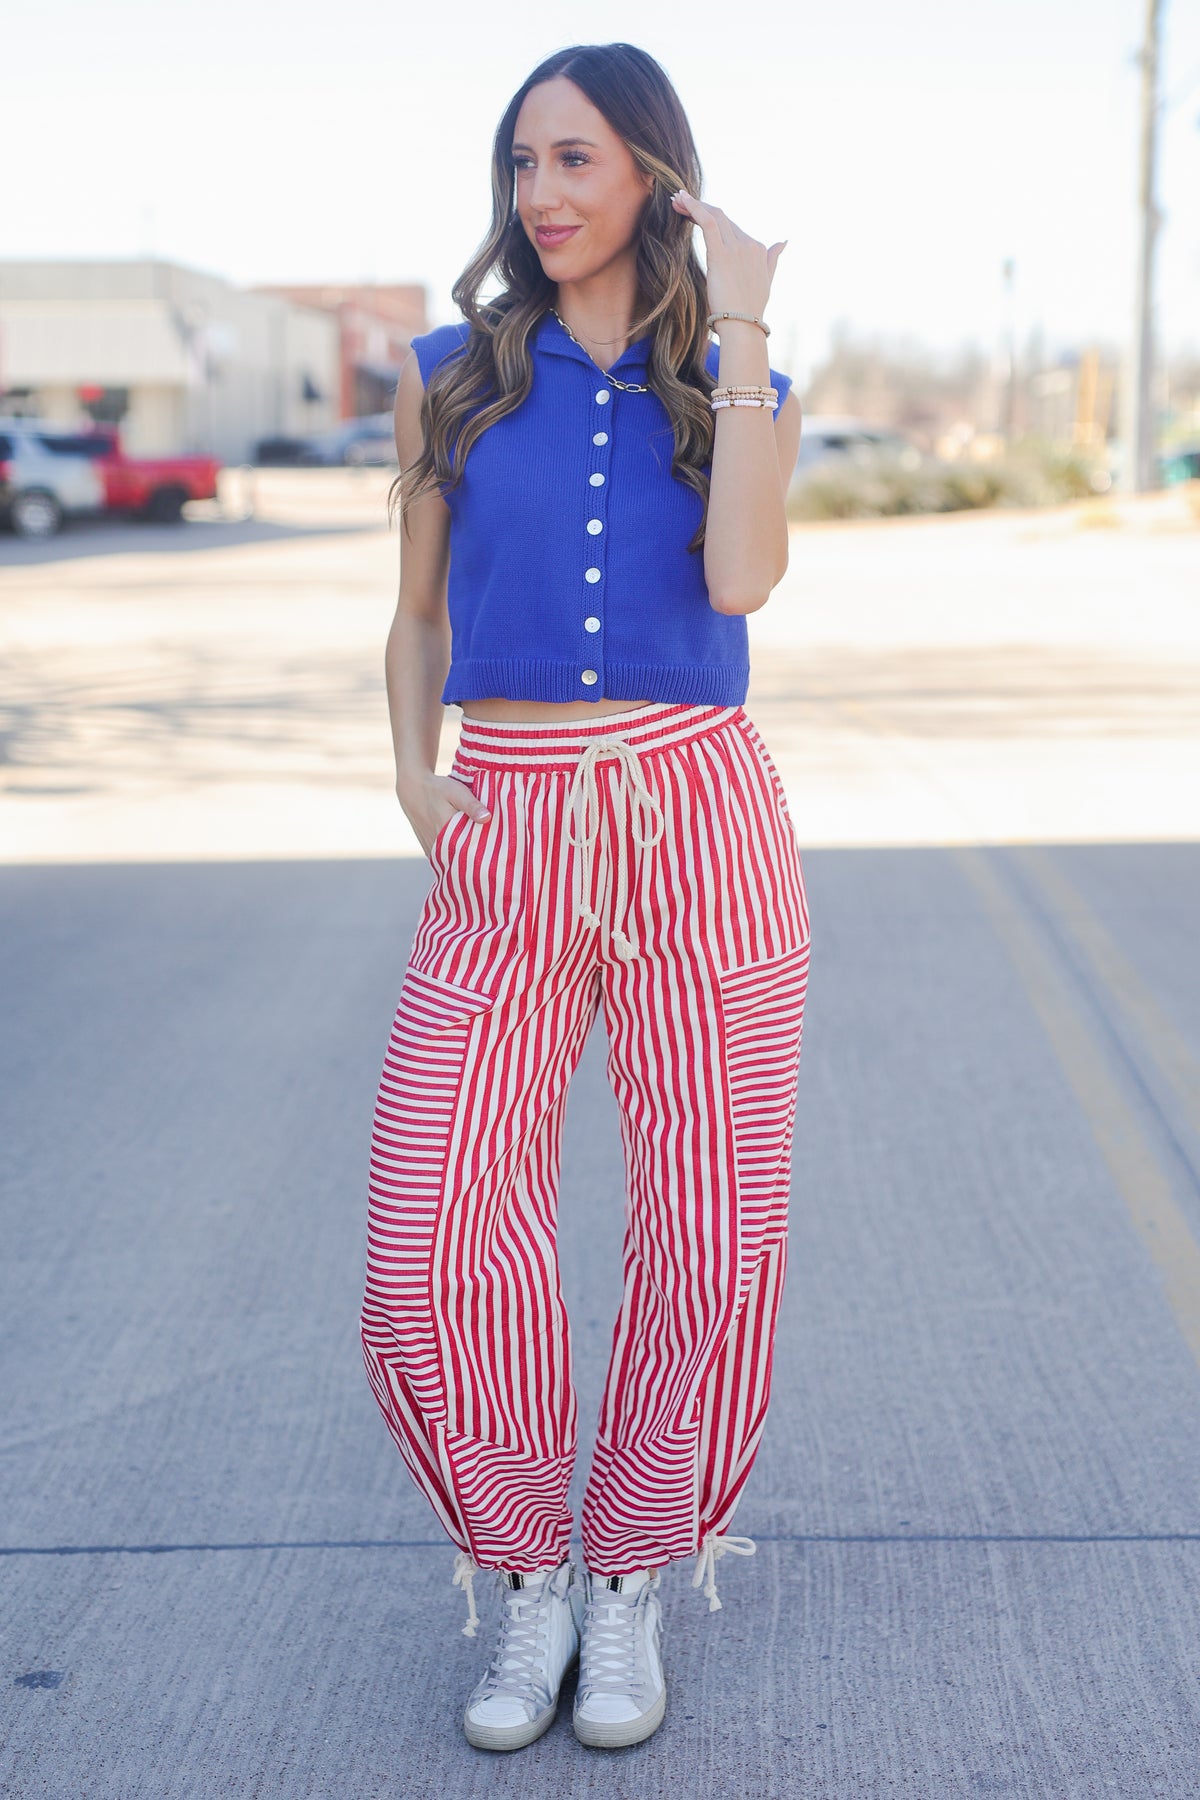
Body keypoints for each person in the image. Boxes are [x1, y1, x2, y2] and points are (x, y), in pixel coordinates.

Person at [359, 40, 810, 1755]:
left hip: (700, 817)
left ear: (652, 175)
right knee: (428, 1234)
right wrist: (416, 776)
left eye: (576, 158)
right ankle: (522, 1566)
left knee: (709, 1228)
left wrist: (744, 323)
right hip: (509, 817)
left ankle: (627, 1574)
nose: (541, 192)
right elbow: (416, 611)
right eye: (522, 161)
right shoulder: (451, 375)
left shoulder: (738, 381)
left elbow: (742, 577)